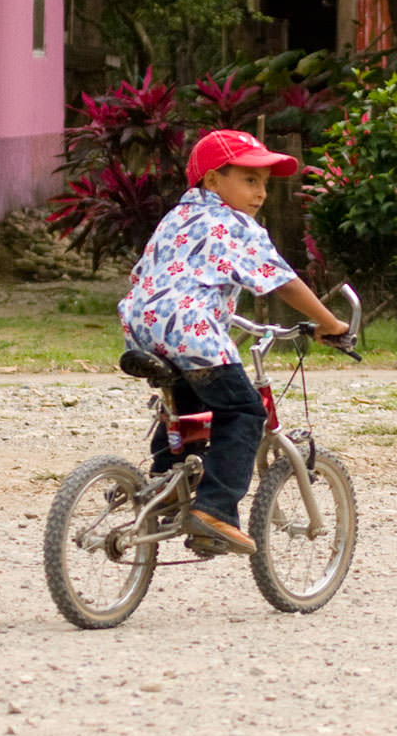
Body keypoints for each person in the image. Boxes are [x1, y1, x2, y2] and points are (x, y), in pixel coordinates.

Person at [118, 128, 350, 554]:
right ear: (211, 180)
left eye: (264, 182)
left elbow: (147, 274)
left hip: (140, 322)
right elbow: (283, 282)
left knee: (188, 405)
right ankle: (215, 511)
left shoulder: (176, 217)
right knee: (243, 410)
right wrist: (329, 322)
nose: (260, 192)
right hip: (190, 327)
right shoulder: (235, 224)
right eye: (249, 179)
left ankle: (166, 482)